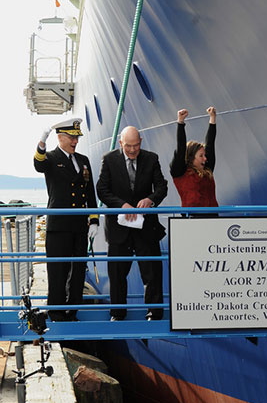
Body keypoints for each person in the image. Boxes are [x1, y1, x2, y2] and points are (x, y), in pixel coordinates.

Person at [96, 126, 168, 321]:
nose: (133, 150)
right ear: (121, 143)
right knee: (117, 273)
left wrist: (150, 200)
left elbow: (162, 186)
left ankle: (154, 311)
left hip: (145, 227)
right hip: (119, 228)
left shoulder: (151, 158)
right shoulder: (109, 160)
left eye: (136, 145)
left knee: (152, 272)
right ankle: (117, 313)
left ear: (141, 142)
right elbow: (102, 190)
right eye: (128, 146)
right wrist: (122, 205)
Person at [33, 118, 99, 321]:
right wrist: (42, 142)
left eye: (76, 137)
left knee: (78, 269)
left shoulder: (83, 160)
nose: (75, 141)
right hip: (59, 225)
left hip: (79, 226)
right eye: (71, 137)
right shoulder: (51, 158)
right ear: (60, 137)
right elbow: (38, 164)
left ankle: (73, 309)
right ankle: (57, 311)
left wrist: (94, 219)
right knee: (58, 270)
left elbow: (90, 192)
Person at [170, 107, 218, 208]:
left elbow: (210, 144)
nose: (205, 158)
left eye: (204, 155)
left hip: (212, 219)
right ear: (191, 158)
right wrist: (180, 123)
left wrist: (212, 119)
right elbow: (181, 148)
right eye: (201, 156)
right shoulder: (180, 172)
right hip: (191, 220)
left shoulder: (207, 170)